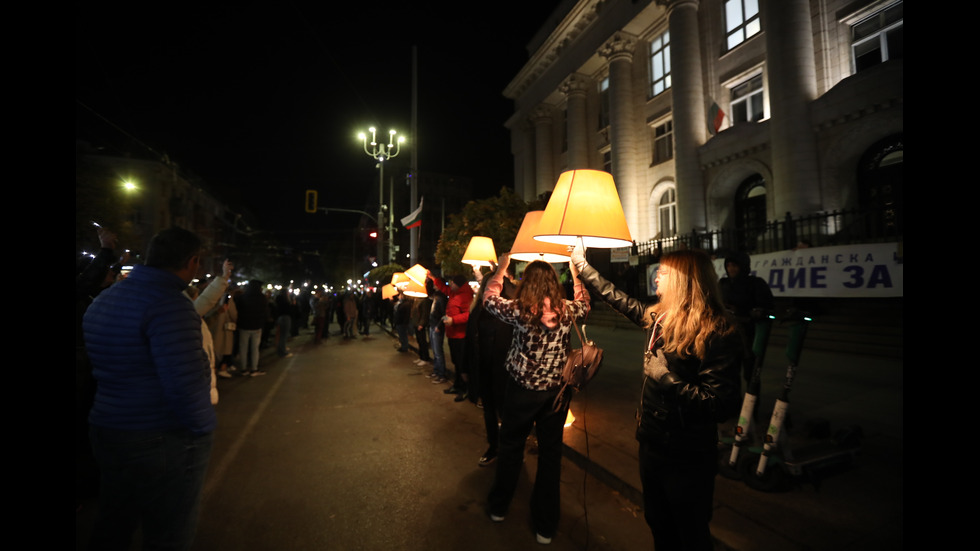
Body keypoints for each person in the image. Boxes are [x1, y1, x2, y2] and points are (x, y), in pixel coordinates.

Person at [573, 246, 742, 551]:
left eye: (664, 271)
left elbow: (721, 405)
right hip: (651, 441)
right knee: (658, 522)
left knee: (689, 531)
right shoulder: (661, 317)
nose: (657, 276)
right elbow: (618, 299)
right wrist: (582, 266)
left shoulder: (717, 330)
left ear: (684, 279)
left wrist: (667, 379)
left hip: (687, 452)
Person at [83, 227, 216, 551]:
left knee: (115, 521)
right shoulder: (171, 305)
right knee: (169, 532)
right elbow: (183, 384)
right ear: (192, 261)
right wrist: (204, 428)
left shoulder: (106, 298)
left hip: (108, 428)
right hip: (161, 435)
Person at [483, 254, 589, 545]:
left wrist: (501, 269)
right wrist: (575, 272)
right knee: (551, 456)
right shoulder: (567, 310)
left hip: (521, 390)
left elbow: (489, 298)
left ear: (527, 282)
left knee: (511, 446)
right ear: (554, 283)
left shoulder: (520, 310)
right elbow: (586, 303)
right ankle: (546, 526)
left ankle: (499, 508)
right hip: (556, 394)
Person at [472, 261, 517, 467]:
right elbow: (470, 340)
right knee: (489, 410)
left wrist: (501, 270)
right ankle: (494, 446)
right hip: (485, 368)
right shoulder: (479, 311)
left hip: (507, 371)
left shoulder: (511, 312)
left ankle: (510, 448)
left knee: (507, 411)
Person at [718, 252, 774, 386]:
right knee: (729, 374)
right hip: (728, 335)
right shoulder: (723, 284)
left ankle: (752, 403)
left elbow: (766, 306)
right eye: (729, 265)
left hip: (749, 334)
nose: (731, 269)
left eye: (735, 265)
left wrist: (749, 312)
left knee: (751, 373)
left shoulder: (755, 283)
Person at [431, 273, 474, 401]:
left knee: (462, 364)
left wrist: (453, 320)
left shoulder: (465, 296)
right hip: (452, 334)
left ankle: (466, 389)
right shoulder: (454, 292)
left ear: (458, 284)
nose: (450, 284)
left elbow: (468, 315)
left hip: (460, 336)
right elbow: (444, 289)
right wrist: (434, 278)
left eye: (452, 283)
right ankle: (457, 385)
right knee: (456, 362)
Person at [235, 280, 269, 377]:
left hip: (244, 325)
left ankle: (243, 369)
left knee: (243, 348)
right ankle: (254, 369)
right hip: (257, 326)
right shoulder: (262, 298)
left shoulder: (242, 297)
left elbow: (238, 310)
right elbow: (265, 312)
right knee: (255, 349)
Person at [426, 278, 449, 384]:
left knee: (438, 351)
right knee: (435, 351)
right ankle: (436, 371)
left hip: (436, 326)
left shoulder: (441, 298)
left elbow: (445, 314)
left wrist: (439, 326)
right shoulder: (436, 296)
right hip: (432, 325)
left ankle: (441, 374)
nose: (434, 286)